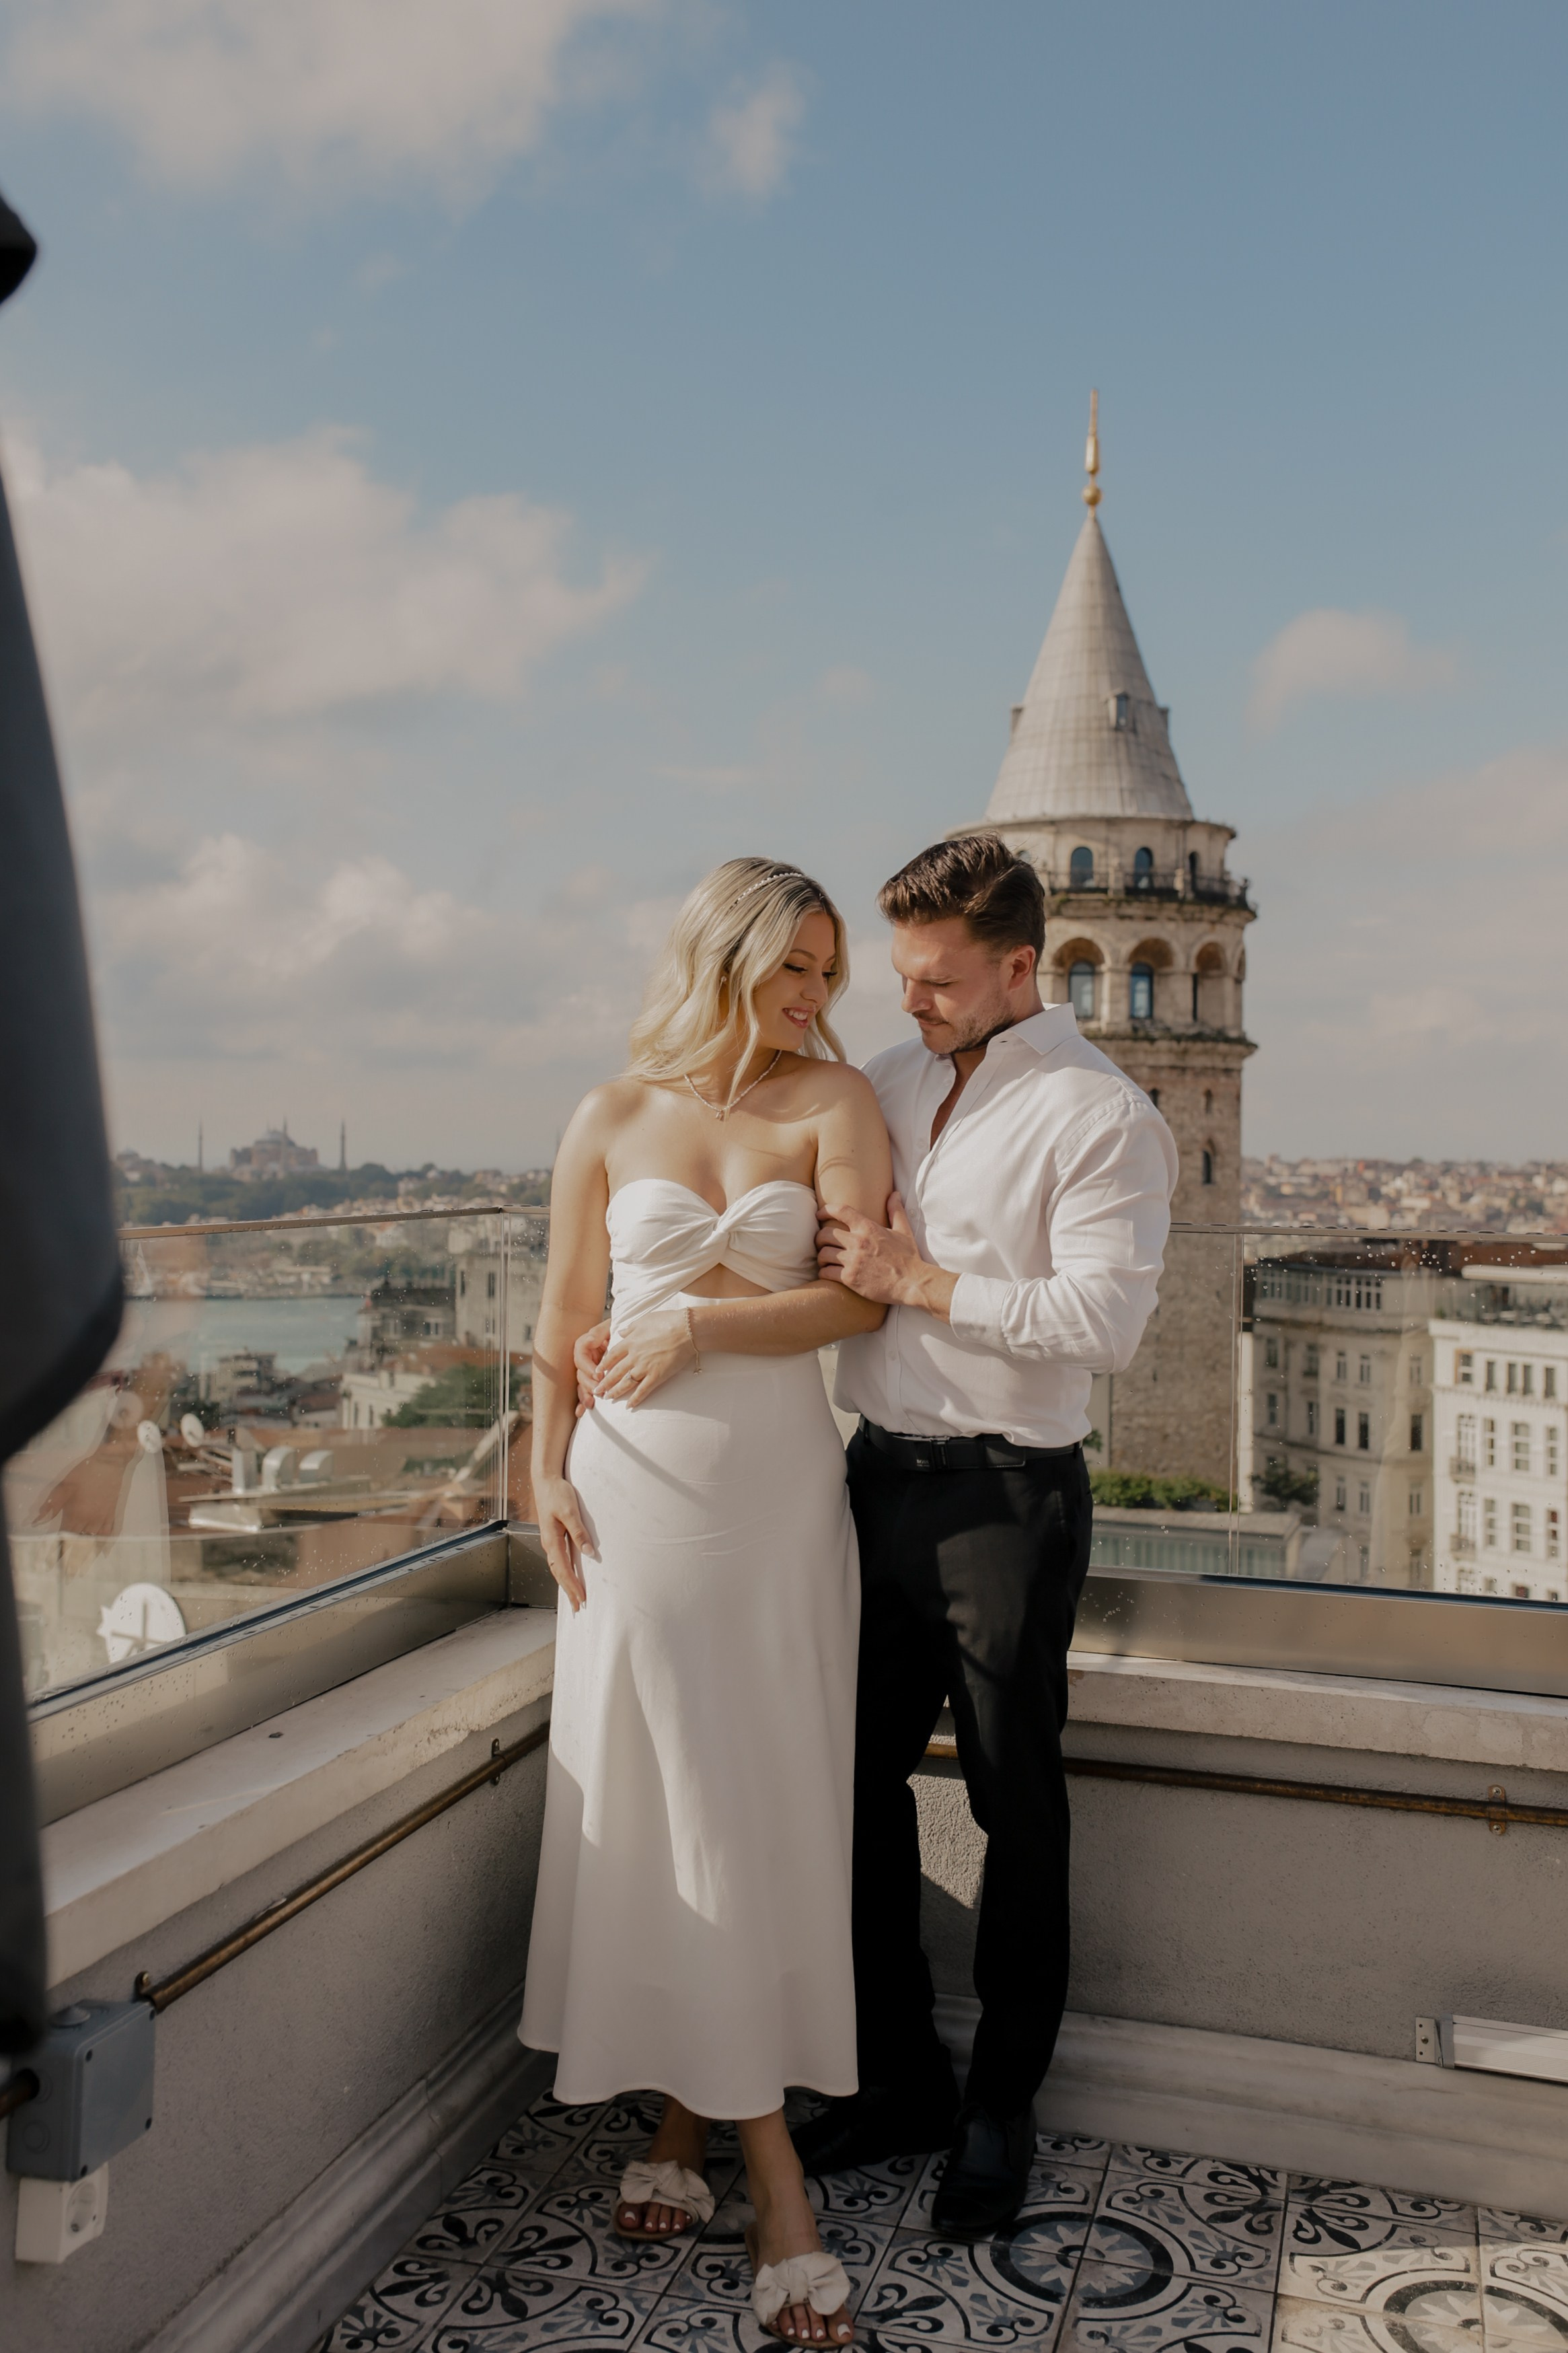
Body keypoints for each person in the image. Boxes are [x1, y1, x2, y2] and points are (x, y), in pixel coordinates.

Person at [521, 857, 893, 2348]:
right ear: (719, 960)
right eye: (789, 969)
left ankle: (727, 2145)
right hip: (627, 1504)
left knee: (753, 1803)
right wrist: (539, 1472)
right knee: (669, 1796)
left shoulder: (836, 1104)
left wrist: (693, 1318)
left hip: (774, 1497)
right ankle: (725, 2144)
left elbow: (856, 1299)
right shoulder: (610, 1114)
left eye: (825, 973)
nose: (811, 998)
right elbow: (556, 1313)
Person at [801, 832, 1175, 2237]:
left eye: (938, 982)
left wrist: (921, 1279)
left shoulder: (1100, 1114)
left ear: (1020, 968)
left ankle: (997, 2113)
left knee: (1016, 1807)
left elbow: (1107, 1326)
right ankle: (897, 2075)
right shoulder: (888, 1081)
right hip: (870, 1483)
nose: (910, 1005)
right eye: (900, 978)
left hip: (1006, 1502)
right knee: (840, 1784)